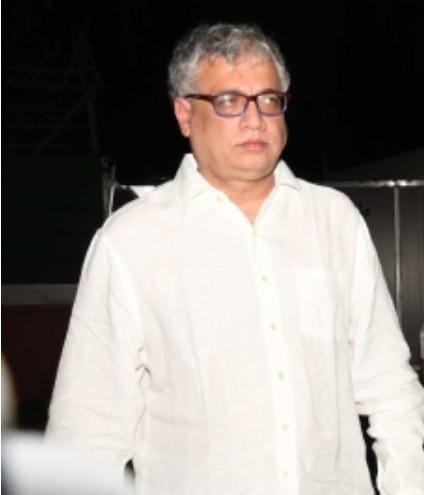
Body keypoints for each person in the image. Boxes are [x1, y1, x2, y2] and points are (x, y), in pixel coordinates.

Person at [46, 23, 424, 495]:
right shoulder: (130, 242)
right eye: (228, 101)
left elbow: (389, 388)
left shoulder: (334, 221)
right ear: (184, 114)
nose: (254, 120)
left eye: (269, 99)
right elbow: (87, 431)